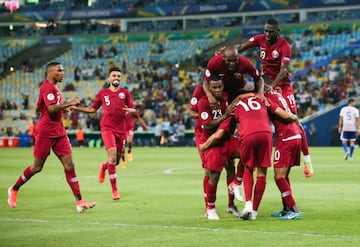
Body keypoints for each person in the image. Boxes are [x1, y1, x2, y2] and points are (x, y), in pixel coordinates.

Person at [7, 61, 96, 213]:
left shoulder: (53, 88)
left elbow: (40, 108)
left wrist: (62, 110)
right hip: (46, 132)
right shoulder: (47, 87)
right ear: (50, 72)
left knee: (70, 165)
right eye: (59, 71)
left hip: (59, 131)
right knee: (37, 167)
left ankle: (80, 201)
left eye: (62, 70)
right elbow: (51, 107)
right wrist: (70, 103)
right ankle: (14, 189)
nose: (62, 73)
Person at [233, 18, 313, 176]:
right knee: (255, 114)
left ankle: (308, 160)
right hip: (265, 85)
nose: (267, 34)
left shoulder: (285, 46)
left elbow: (283, 70)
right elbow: (240, 48)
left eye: (271, 31)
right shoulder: (259, 39)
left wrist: (274, 85)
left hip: (282, 87)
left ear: (278, 31)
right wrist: (228, 51)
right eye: (265, 30)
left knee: (293, 119)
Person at [204, 45, 265, 202]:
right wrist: (210, 96)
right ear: (223, 58)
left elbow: (259, 79)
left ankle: (236, 183)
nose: (232, 64)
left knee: (247, 154)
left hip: (237, 92)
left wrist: (260, 94)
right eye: (229, 61)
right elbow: (206, 83)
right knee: (212, 170)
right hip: (222, 95)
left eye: (235, 60)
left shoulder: (245, 63)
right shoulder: (214, 63)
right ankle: (210, 203)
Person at [71, 67, 136, 200]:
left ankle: (104, 166)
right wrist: (76, 108)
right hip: (107, 128)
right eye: (114, 76)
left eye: (119, 76)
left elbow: (133, 109)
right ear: (109, 78)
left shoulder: (125, 93)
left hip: (121, 130)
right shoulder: (103, 93)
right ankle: (115, 190)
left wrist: (132, 110)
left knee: (115, 161)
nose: (116, 78)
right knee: (112, 157)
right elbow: (92, 109)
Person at [196, 75, 237, 220]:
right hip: (210, 141)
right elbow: (207, 125)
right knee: (212, 174)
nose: (218, 90)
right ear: (209, 88)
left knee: (241, 157)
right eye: (214, 87)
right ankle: (209, 207)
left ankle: (232, 200)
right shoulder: (203, 102)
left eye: (220, 86)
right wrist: (225, 116)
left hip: (226, 137)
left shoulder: (226, 97)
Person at [264, 83, 304, 220]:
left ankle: (295, 209)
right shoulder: (278, 94)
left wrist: (293, 117)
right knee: (284, 176)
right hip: (294, 135)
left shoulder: (267, 97)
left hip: (286, 136)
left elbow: (285, 115)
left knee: (279, 177)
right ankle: (286, 208)